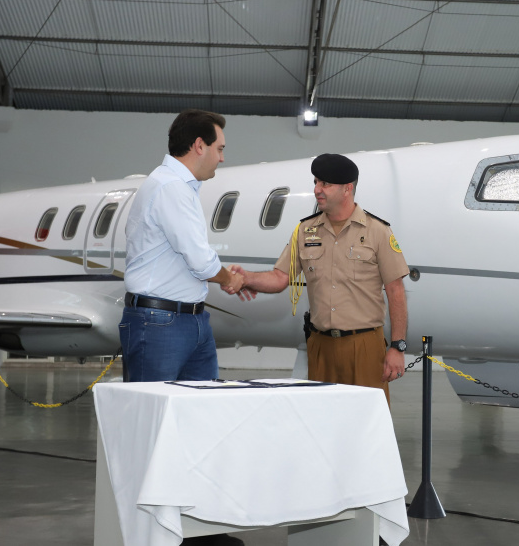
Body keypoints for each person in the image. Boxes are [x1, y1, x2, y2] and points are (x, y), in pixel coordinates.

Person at [228, 153, 409, 403]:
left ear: (347, 189)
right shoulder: (305, 230)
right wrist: (247, 278)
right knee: (322, 423)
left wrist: (397, 347)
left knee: (365, 425)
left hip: (365, 345)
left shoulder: (377, 231)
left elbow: (396, 290)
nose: (317, 190)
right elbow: (280, 278)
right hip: (320, 346)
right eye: (315, 182)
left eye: (325, 184)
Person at [119, 109, 244, 384]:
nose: (222, 158)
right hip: (160, 323)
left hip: (190, 320)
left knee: (196, 412)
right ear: (200, 145)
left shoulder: (179, 187)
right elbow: (201, 262)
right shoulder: (169, 187)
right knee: (152, 414)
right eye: (219, 149)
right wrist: (230, 278)